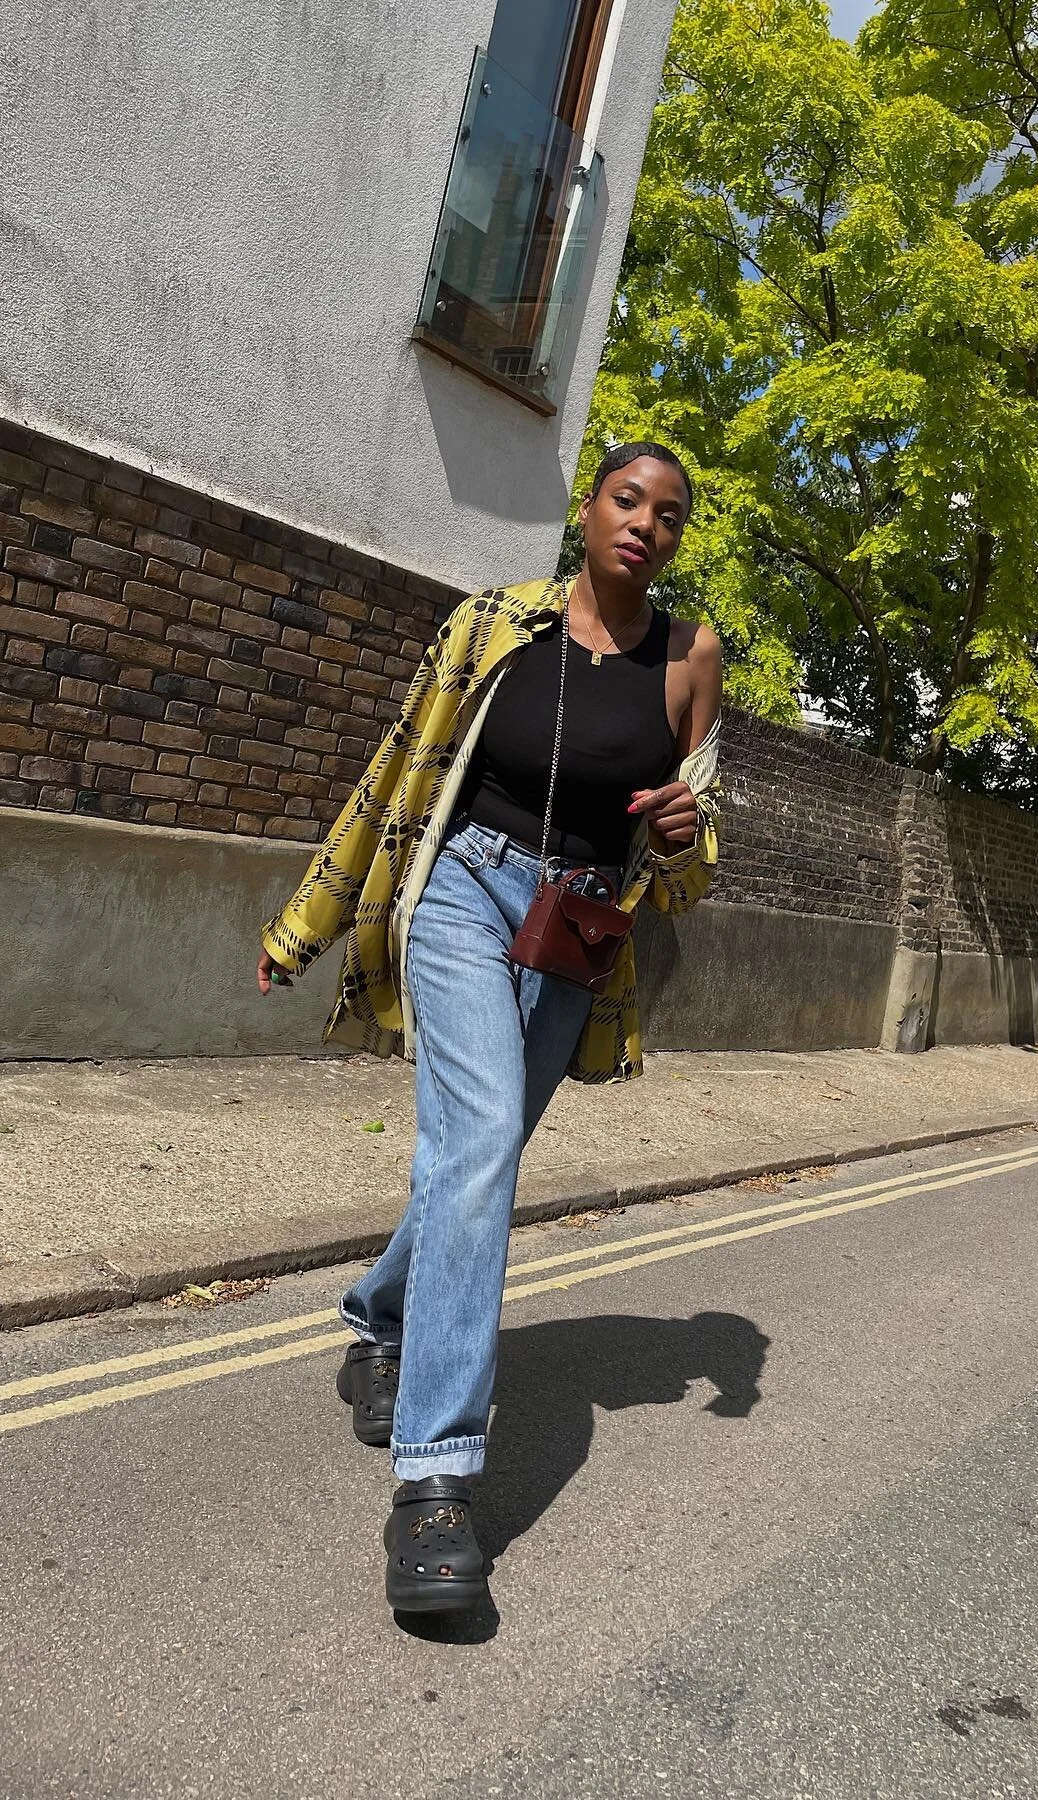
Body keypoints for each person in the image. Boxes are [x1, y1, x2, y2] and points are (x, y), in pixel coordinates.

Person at [256, 443, 722, 1613]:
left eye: (669, 517)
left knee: (485, 1152)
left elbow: (697, 861)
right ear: (589, 507)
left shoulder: (691, 659)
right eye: (628, 500)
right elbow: (397, 776)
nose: (645, 526)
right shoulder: (490, 625)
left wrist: (682, 833)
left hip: (578, 930)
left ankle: (379, 1324)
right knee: (476, 1152)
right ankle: (436, 1483)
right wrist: (303, 923)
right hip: (465, 890)